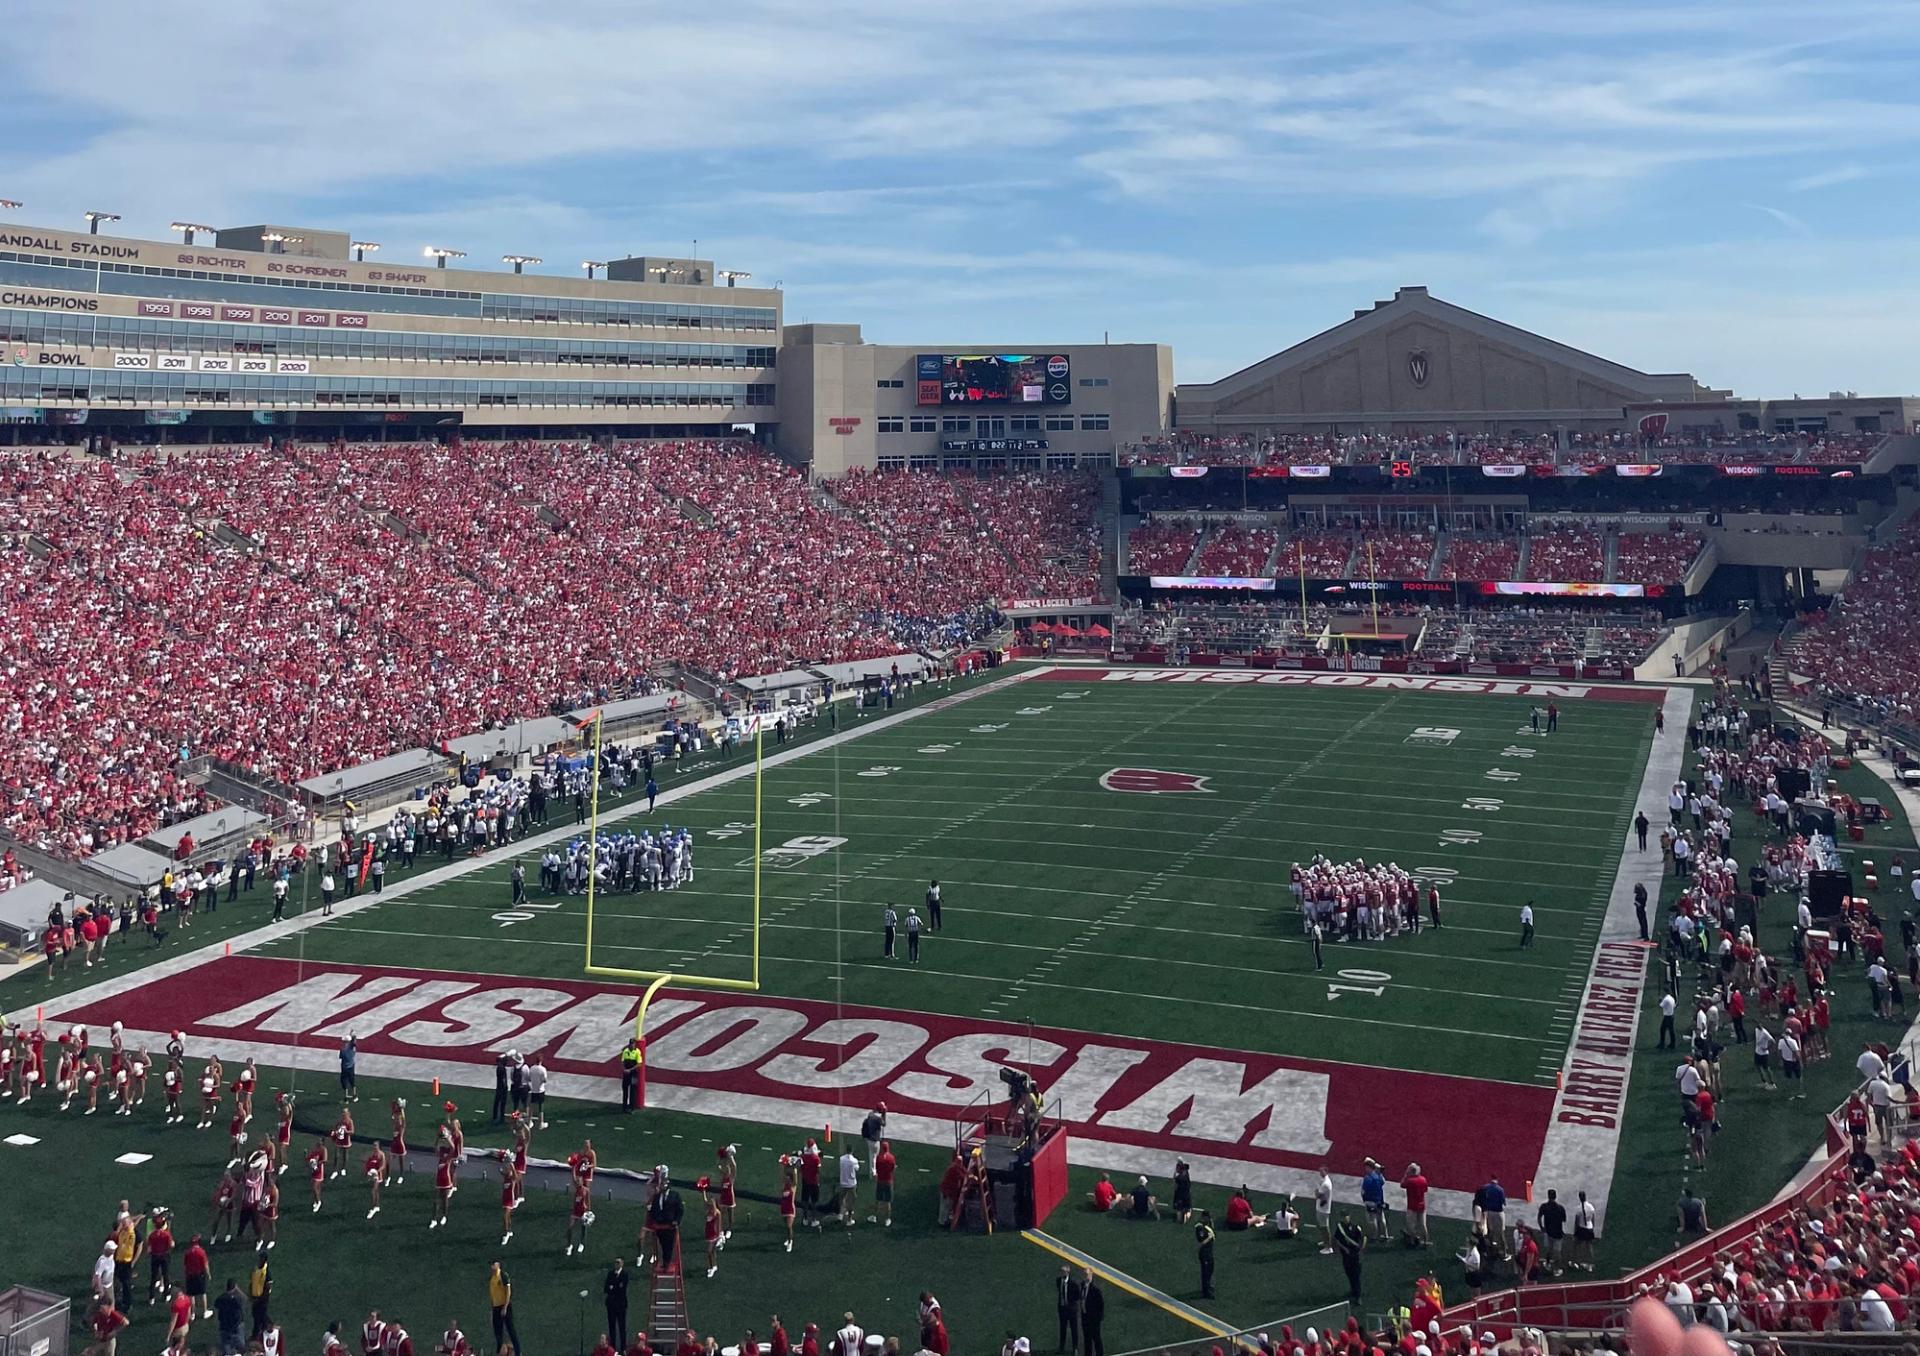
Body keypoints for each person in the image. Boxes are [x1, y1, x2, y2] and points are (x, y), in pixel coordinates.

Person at [487, 1262, 522, 1356]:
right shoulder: (492, 1279)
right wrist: (493, 1309)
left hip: (504, 1306)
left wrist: (505, 1307)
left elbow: (508, 1291)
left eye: (493, 1264)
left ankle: (518, 1352)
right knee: (497, 1331)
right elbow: (493, 1295)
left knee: (511, 1330)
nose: (492, 1267)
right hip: (496, 1307)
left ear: (498, 1265)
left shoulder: (503, 1275)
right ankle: (499, 1351)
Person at [1332, 1212, 1366, 1304]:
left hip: (1355, 1254)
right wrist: (1343, 1249)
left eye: (1346, 1216)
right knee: (1349, 1273)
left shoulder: (1355, 1227)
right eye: (1343, 1217)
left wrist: (1361, 1249)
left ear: (1349, 1217)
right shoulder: (1340, 1228)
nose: (1345, 1218)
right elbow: (1337, 1240)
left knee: (1356, 1275)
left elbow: (1363, 1237)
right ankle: (1353, 1290)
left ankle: (1358, 1296)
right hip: (1346, 1255)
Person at [1054, 1266, 1083, 1354]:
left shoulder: (1073, 1283)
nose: (1063, 1274)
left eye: (1064, 1272)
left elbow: (1078, 1296)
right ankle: (1061, 1347)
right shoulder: (1059, 1281)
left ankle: (1075, 1348)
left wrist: (1070, 1302)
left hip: (1071, 1310)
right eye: (1061, 1272)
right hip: (1062, 1309)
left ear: (1068, 1272)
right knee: (1062, 1329)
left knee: (1074, 1329)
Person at [213, 1280, 246, 1356]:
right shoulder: (237, 1299)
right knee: (240, 1348)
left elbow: (216, 1304)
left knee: (226, 1347)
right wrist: (238, 1290)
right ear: (235, 1287)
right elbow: (244, 1299)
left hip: (224, 1326)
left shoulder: (221, 1298)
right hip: (236, 1326)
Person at [1080, 1272, 1105, 1356]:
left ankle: (1099, 1354)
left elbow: (1101, 1305)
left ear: (1091, 1276)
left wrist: (1098, 1318)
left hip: (1094, 1319)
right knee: (1087, 1338)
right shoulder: (1083, 1286)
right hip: (1085, 1317)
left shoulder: (1095, 1289)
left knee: (1096, 1338)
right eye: (1084, 1274)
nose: (1085, 1276)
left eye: (1087, 1274)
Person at [1194, 1210, 1216, 1300]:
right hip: (1204, 1253)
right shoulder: (1199, 1227)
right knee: (1205, 1272)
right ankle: (1205, 1292)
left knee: (1211, 1269)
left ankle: (1208, 1285)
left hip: (1209, 1252)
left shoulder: (1208, 1225)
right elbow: (1201, 1242)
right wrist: (1209, 1237)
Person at [836, 1146, 860, 1226]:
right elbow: (857, 1169)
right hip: (851, 1183)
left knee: (842, 1198)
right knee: (851, 1201)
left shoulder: (841, 1159)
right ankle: (849, 1219)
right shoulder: (854, 1161)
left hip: (843, 1182)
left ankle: (841, 1214)